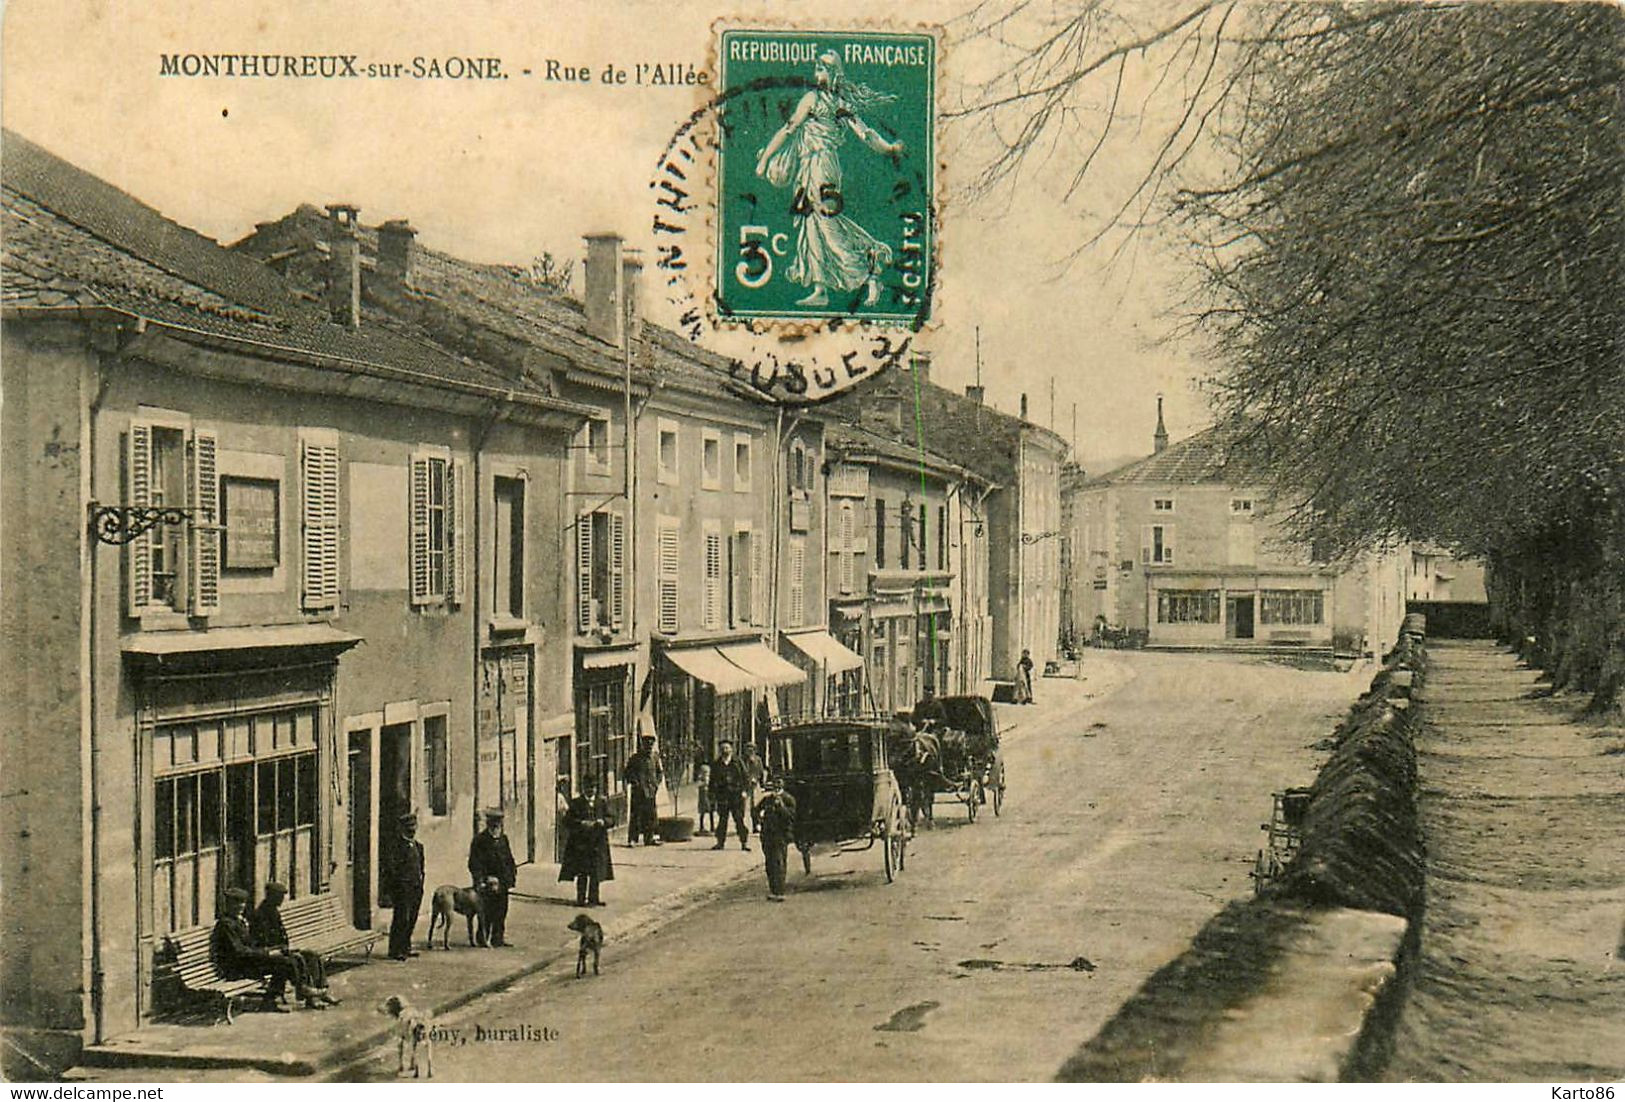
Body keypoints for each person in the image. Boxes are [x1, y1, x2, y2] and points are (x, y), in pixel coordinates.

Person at [754, 50, 905, 308]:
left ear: (834, 73)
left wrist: (889, 148)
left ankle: (869, 273)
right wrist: (766, 157)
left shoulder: (825, 102)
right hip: (808, 166)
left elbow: (865, 133)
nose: (817, 74)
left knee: (825, 223)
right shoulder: (821, 100)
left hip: (823, 166)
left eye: (822, 69)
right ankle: (820, 288)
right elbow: (790, 128)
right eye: (816, 68)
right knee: (811, 224)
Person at [211, 887, 317, 1012]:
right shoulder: (225, 924)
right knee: (283, 963)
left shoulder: (238, 921)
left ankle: (298, 989)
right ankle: (292, 992)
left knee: (289, 958)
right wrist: (267, 953)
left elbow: (251, 947)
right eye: (236, 903)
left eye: (242, 903)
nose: (240, 906)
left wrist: (273, 950)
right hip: (234, 968)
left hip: (246, 963)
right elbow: (239, 951)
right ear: (228, 904)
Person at [249, 882, 340, 1006]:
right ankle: (307, 993)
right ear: (271, 896)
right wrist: (282, 949)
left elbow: (282, 936)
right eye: (279, 896)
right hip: (270, 953)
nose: (282, 899)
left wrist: (288, 947)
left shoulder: (273, 911)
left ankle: (322, 991)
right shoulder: (260, 915)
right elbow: (261, 941)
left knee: (312, 955)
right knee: (298, 958)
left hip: (281, 949)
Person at [559, 777, 614, 906]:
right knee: (582, 872)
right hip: (581, 844)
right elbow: (567, 821)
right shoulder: (576, 803)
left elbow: (611, 818)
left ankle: (594, 898)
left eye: (593, 788)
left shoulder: (601, 802)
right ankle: (581, 898)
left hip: (597, 843)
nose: (591, 791)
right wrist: (581, 823)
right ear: (584, 789)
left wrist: (604, 822)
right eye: (588, 788)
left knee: (595, 872)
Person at [468, 809, 518, 947]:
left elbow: (509, 860)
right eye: (493, 822)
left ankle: (498, 938)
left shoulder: (503, 839)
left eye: (499, 823)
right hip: (487, 884)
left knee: (501, 911)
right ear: (488, 823)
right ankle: (483, 938)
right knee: (486, 912)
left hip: (501, 883)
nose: (496, 825)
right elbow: (474, 863)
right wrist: (482, 880)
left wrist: (509, 878)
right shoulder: (480, 840)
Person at [383, 812, 425, 961]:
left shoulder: (418, 846)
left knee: (412, 918)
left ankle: (406, 947)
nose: (412, 830)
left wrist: (420, 884)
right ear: (403, 828)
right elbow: (391, 868)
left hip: (415, 888)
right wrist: (397, 885)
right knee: (401, 918)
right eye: (409, 827)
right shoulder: (396, 846)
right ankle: (395, 949)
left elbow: (421, 868)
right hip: (402, 889)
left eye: (414, 826)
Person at [754, 779, 798, 902]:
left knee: (779, 862)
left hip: (781, 835)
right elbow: (756, 810)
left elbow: (790, 816)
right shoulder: (767, 800)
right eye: (774, 786)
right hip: (767, 834)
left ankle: (780, 891)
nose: (775, 789)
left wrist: (781, 806)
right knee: (769, 863)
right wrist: (759, 822)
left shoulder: (788, 799)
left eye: (778, 786)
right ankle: (773, 889)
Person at [709, 739, 751, 851]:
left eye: (727, 748)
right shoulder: (716, 764)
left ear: (731, 749)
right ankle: (720, 842)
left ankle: (744, 842)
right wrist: (712, 795)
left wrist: (745, 791)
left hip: (736, 796)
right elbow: (712, 781)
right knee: (722, 820)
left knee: (739, 819)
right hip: (723, 796)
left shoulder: (737, 762)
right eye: (722, 749)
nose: (725, 750)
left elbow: (746, 778)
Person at [623, 734, 664, 847]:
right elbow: (628, 773)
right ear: (643, 745)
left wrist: (656, 783)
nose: (649, 747)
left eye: (651, 744)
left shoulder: (655, 758)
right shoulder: (636, 758)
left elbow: (659, 772)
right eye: (647, 744)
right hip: (638, 792)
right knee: (636, 816)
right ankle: (633, 839)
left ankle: (649, 838)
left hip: (651, 791)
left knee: (650, 816)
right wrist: (635, 782)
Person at [742, 742, 766, 833]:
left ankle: (755, 825)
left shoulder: (758, 760)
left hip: (755, 785)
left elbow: (761, 771)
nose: (750, 751)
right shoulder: (742, 760)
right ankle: (742, 826)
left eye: (752, 749)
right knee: (743, 806)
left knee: (755, 806)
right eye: (748, 749)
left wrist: (761, 783)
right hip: (744, 786)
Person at [695, 761, 715, 834]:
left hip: (709, 795)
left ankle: (712, 827)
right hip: (703, 796)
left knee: (711, 811)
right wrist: (704, 784)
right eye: (705, 772)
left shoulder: (709, 779)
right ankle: (701, 826)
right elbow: (698, 785)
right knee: (703, 812)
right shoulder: (701, 779)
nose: (707, 774)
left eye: (708, 772)